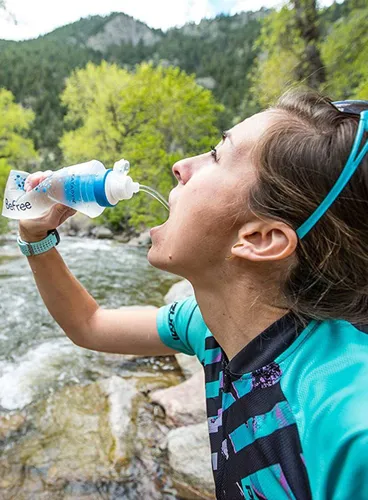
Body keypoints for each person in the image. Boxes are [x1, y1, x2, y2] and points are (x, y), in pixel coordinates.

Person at [18, 89, 368, 500]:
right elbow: (89, 325)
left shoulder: (346, 423)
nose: (180, 165)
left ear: (260, 239)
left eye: (217, 156)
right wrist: (36, 238)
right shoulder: (208, 325)